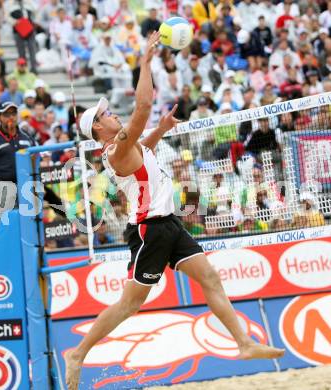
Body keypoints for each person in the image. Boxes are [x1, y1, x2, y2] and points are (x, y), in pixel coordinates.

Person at [65, 31, 285, 390]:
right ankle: (78, 353)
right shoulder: (114, 150)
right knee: (129, 305)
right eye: (106, 114)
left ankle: (244, 344)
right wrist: (146, 62)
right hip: (150, 229)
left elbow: (143, 148)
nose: (113, 114)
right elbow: (143, 109)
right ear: (98, 129)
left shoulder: (127, 147)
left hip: (169, 223)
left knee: (209, 278)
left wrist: (162, 131)